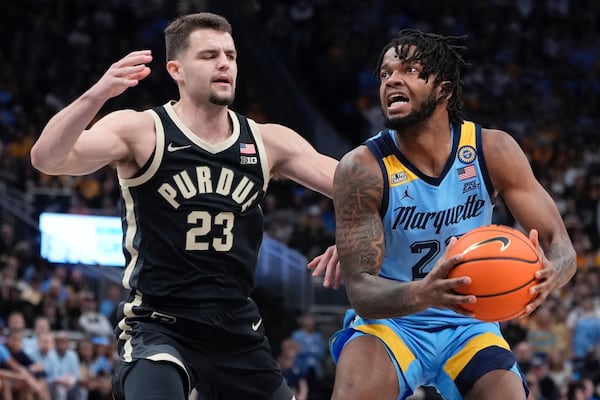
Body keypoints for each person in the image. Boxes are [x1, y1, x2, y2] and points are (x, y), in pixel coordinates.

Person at [30, 12, 340, 400]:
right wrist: (98, 94)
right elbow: (47, 159)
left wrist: (352, 234)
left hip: (236, 327)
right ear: (176, 69)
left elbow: (359, 188)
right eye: (209, 55)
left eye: (231, 54)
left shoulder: (267, 141)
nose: (224, 63)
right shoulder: (142, 130)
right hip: (159, 324)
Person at [328, 29, 577, 400]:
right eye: (385, 73)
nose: (392, 79)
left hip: (470, 323)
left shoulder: (492, 149)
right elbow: (361, 290)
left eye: (410, 70)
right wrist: (423, 293)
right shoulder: (361, 169)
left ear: (443, 90)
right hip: (393, 324)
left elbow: (563, 248)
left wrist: (550, 274)